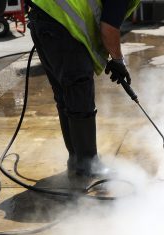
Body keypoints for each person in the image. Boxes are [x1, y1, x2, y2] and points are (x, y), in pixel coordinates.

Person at [27, 0, 140, 177]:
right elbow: (108, 29)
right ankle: (88, 163)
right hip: (62, 25)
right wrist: (118, 61)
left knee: (65, 94)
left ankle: (76, 158)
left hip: (42, 17)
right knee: (79, 93)